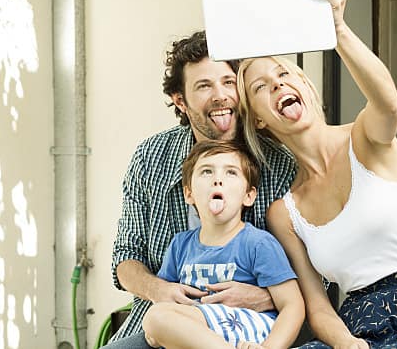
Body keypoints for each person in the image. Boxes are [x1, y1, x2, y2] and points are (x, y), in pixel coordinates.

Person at [236, 0, 397, 348]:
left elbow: (388, 102)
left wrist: (338, 30)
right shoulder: (284, 213)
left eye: (283, 73)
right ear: (259, 118)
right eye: (261, 86)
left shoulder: (365, 137)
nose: (277, 83)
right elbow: (319, 307)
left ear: (305, 86)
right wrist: (346, 344)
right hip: (356, 325)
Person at [104, 31, 297, 348]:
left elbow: (313, 271)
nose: (220, 95)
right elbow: (126, 257)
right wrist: (160, 291)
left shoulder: (278, 163)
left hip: (251, 326)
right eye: (204, 86)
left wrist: (264, 296)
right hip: (173, 322)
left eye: (228, 82)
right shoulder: (150, 157)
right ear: (181, 100)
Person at [142, 140, 304, 349]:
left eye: (231, 173)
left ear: (249, 195)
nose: (218, 180)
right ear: (188, 193)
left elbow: (293, 305)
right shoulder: (179, 245)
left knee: (156, 318)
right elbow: (167, 300)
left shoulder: (258, 243)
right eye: (207, 172)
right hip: (203, 332)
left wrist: (270, 348)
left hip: (248, 330)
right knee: (155, 329)